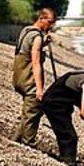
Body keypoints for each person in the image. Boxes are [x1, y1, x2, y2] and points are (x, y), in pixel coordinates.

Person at [13, 8, 56, 146]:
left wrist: (44, 43)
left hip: (18, 78)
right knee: (34, 110)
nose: (50, 26)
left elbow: (27, 49)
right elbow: (36, 63)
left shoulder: (26, 30)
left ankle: (16, 140)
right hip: (28, 80)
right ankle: (28, 143)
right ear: (41, 18)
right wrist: (39, 88)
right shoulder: (36, 37)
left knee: (28, 111)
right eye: (49, 22)